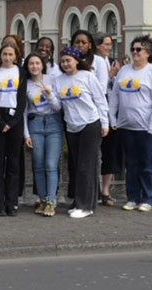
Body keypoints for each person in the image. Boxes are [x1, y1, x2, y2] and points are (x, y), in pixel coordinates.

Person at [109, 35, 152, 212]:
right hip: (126, 125)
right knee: (131, 164)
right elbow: (115, 95)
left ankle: (147, 197)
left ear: (148, 53)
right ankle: (132, 197)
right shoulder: (124, 70)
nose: (135, 52)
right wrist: (113, 118)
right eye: (133, 49)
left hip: (146, 127)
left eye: (138, 49)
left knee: (147, 163)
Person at [54, 47, 109, 219]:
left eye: (68, 60)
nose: (65, 64)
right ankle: (79, 201)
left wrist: (105, 123)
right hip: (72, 126)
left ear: (77, 60)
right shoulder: (58, 80)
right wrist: (49, 95)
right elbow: (57, 106)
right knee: (77, 166)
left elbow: (100, 100)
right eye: (62, 61)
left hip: (90, 123)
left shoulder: (87, 76)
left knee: (87, 165)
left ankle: (86, 206)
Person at [0, 42, 27, 217]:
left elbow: (22, 99)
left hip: (15, 121)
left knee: (13, 162)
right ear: (0, 55)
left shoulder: (21, 72)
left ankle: (12, 202)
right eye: (5, 54)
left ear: (16, 56)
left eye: (11, 54)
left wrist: (13, 121)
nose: (8, 57)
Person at [23, 53, 63, 217]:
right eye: (31, 63)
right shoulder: (26, 85)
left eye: (37, 63)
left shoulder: (52, 80)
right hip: (35, 124)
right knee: (38, 165)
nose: (34, 66)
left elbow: (58, 107)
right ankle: (42, 199)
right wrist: (26, 134)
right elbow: (24, 111)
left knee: (51, 164)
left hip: (53, 124)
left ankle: (51, 201)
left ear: (42, 65)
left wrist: (49, 94)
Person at [94, 32, 122, 207]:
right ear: (97, 45)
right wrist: (111, 75)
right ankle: (95, 190)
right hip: (97, 112)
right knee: (94, 153)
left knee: (110, 153)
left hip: (111, 112)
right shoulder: (93, 62)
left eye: (110, 44)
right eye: (106, 44)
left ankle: (106, 190)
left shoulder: (109, 61)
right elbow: (97, 88)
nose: (109, 47)